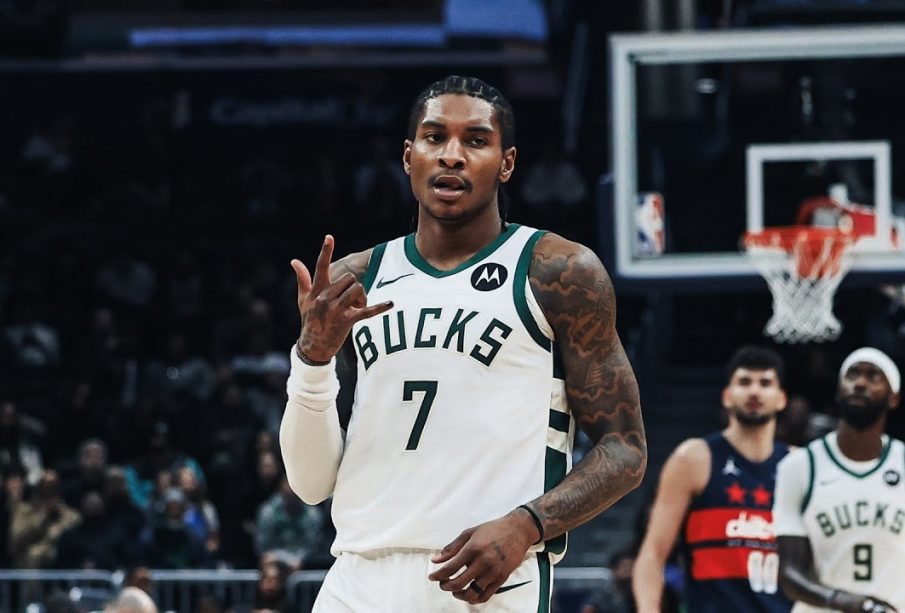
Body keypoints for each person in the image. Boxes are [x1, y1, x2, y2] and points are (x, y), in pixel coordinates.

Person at [280, 75, 646, 611]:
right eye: (435, 137)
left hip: (488, 579)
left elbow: (626, 449)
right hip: (357, 577)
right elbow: (311, 483)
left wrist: (528, 525)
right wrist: (312, 361)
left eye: (475, 140)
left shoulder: (559, 272)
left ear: (506, 163)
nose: (451, 155)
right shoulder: (353, 281)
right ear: (409, 156)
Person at [633, 346, 793, 613]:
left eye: (765, 383)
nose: (754, 391)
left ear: (781, 399)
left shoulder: (797, 465)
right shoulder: (693, 459)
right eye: (744, 382)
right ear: (727, 396)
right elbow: (652, 554)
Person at [773, 348, 905, 612]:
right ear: (838, 390)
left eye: (874, 376)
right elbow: (789, 575)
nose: (860, 383)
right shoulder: (799, 466)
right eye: (852, 375)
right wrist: (851, 603)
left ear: (893, 398)